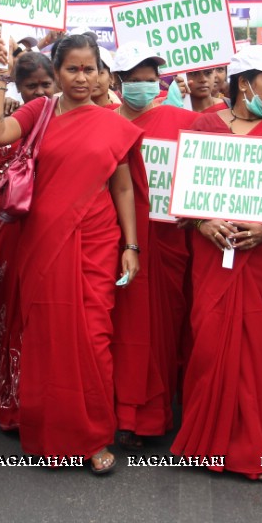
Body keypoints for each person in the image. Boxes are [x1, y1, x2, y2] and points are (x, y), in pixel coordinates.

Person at [0, 32, 146, 473]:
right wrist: (0, 77)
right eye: (71, 68)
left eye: (88, 68)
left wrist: (131, 245)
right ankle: (51, 432)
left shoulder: (114, 123)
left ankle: (92, 437)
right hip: (42, 239)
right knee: (47, 335)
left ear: (99, 73)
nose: (80, 77)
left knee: (92, 338)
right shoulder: (41, 111)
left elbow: (124, 187)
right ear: (56, 72)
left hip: (96, 239)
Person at [170, 44, 262, 480]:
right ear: (244, 83)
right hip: (214, 255)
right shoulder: (204, 126)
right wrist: (202, 222)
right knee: (211, 342)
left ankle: (260, 450)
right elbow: (183, 191)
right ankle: (207, 443)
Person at [108, 44, 198, 446]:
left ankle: (153, 414)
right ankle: (121, 413)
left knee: (162, 330)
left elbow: (216, 161)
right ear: (116, 82)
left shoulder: (183, 120)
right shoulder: (102, 122)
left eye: (151, 80)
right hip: (115, 241)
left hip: (168, 242)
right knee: (121, 331)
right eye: (135, 81)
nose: (145, 87)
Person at [0, 49, 56, 431]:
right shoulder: (10, 120)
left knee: (35, 316)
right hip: (4, 231)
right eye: (31, 87)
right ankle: (8, 394)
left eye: (46, 84)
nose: (40, 92)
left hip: (45, 231)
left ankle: (36, 399)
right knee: (2, 312)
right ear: (19, 89)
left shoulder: (64, 119)